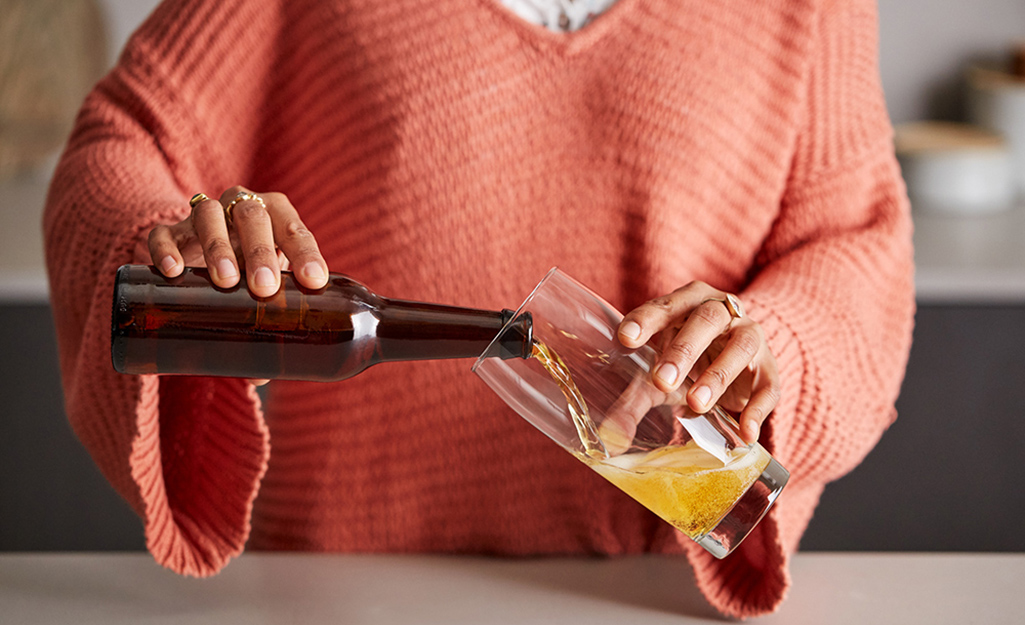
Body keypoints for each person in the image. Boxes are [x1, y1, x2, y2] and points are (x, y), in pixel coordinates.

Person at [42, 0, 914, 618]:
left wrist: (774, 348)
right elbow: (121, 138)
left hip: (647, 601)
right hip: (332, 596)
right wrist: (170, 245)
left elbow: (855, 244)